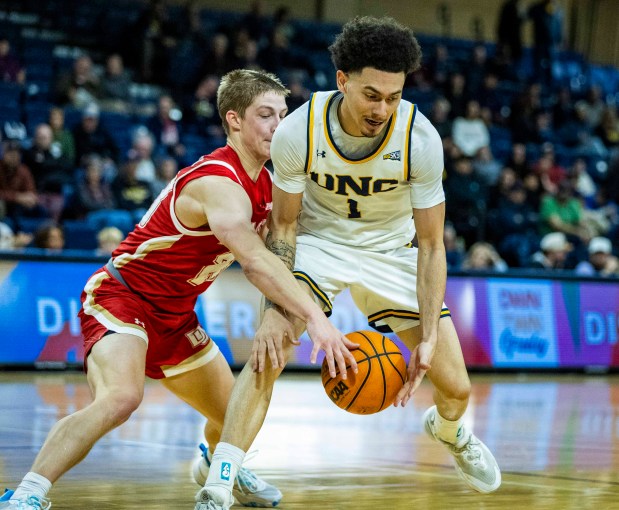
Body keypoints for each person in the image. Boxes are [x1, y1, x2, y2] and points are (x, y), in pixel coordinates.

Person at [0, 69, 356, 510]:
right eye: (265, 115)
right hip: (122, 296)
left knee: (236, 416)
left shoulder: (268, 183)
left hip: (175, 315)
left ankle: (213, 463)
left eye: (283, 115)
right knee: (122, 398)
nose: (278, 126)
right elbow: (257, 263)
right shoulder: (218, 183)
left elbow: (284, 249)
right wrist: (317, 319)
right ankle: (27, 493)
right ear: (235, 120)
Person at [198, 17, 501, 510]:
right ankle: (220, 480)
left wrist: (426, 334)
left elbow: (430, 245)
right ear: (342, 81)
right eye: (371, 95)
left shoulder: (420, 140)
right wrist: (277, 306)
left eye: (394, 96)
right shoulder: (299, 130)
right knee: (267, 352)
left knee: (458, 386)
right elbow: (286, 227)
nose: (383, 108)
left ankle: (449, 433)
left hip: (392, 252)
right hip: (319, 243)